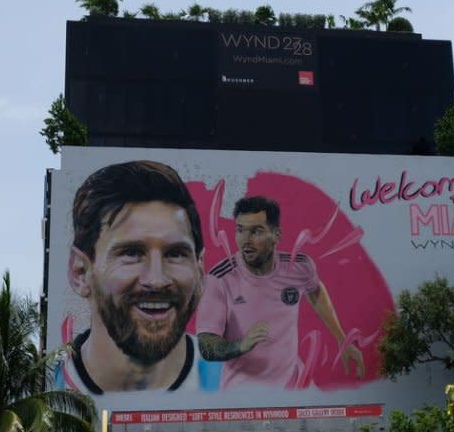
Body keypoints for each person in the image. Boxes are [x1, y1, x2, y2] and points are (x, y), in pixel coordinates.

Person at [196, 196, 365, 389]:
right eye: (240, 230)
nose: (245, 240)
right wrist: (240, 345)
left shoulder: (298, 267)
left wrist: (342, 340)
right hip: (243, 393)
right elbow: (206, 344)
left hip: (294, 386)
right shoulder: (220, 278)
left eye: (256, 231)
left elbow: (316, 291)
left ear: (276, 235)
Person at [65, 160, 204, 393]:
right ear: (80, 273)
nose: (157, 280)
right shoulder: (48, 397)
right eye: (131, 253)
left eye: (176, 254)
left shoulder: (240, 381)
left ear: (201, 271)